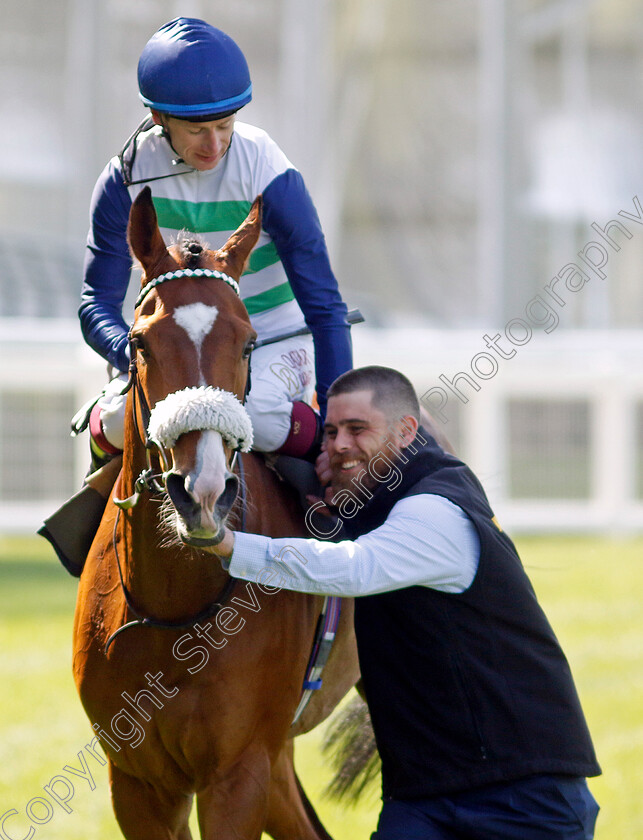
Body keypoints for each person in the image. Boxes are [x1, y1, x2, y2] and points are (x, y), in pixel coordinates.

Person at [205, 365, 601, 840]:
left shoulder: (435, 510)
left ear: (406, 432)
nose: (338, 445)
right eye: (330, 433)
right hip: (422, 799)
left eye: (357, 429)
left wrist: (228, 545)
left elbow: (354, 567)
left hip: (525, 800)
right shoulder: (391, 499)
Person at [80, 16, 352, 469]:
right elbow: (96, 306)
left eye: (225, 125)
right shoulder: (122, 179)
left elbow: (325, 306)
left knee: (257, 416)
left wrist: (335, 421)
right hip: (173, 339)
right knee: (113, 420)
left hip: (270, 333)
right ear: (158, 118)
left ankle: (331, 505)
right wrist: (139, 352)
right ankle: (87, 529)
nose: (215, 144)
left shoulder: (268, 169)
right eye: (197, 130)